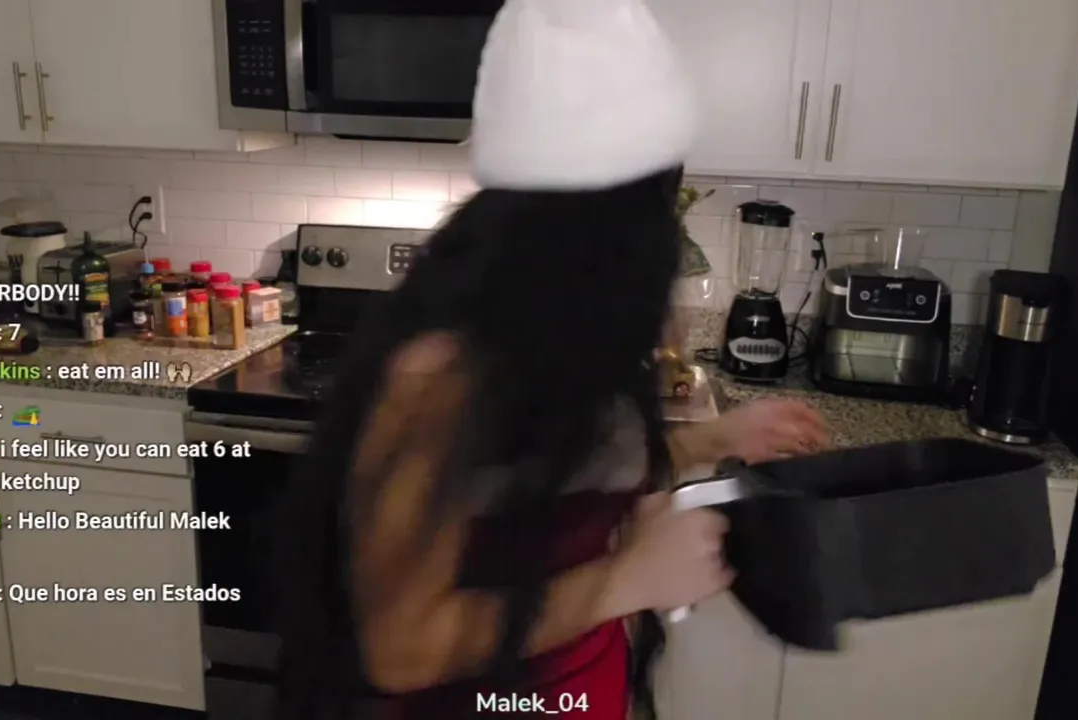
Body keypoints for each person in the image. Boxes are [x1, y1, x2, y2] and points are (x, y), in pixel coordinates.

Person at [274, 0, 830, 718]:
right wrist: (625, 580)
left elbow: (556, 475)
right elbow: (398, 649)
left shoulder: (570, 337)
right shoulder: (438, 374)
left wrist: (712, 441)